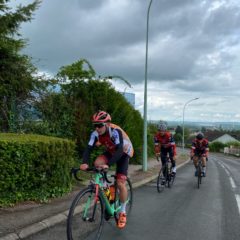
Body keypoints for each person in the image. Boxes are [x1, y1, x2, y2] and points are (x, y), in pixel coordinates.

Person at [80, 110, 134, 229]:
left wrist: (108, 164)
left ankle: (123, 212)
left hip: (124, 152)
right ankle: (108, 193)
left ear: (107, 124)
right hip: (111, 151)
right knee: (97, 163)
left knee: (120, 183)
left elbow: (120, 150)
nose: (97, 128)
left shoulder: (115, 131)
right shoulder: (95, 134)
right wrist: (84, 163)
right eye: (95, 125)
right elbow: (88, 149)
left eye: (100, 125)